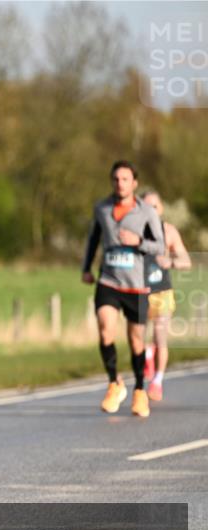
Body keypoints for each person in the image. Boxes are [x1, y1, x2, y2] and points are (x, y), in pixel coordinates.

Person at [81, 160, 164, 418]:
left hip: (137, 285)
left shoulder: (146, 212)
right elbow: (93, 238)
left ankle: (139, 390)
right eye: (116, 179)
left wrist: (138, 241)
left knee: (135, 339)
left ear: (134, 183)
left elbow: (159, 246)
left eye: (125, 179)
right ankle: (114, 383)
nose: (120, 183)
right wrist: (86, 268)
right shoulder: (102, 209)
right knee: (106, 329)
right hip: (108, 280)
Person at [140, 190, 192, 401]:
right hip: (138, 292)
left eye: (154, 206)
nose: (151, 210)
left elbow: (186, 262)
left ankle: (157, 381)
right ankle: (147, 355)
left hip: (162, 291)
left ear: (161, 209)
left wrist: (169, 262)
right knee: (139, 336)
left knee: (160, 336)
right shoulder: (133, 231)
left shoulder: (169, 232)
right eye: (145, 206)